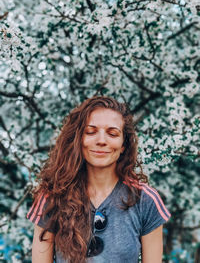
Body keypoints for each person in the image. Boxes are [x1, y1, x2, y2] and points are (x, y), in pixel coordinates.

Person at [27, 96, 171, 263]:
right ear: (78, 139)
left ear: (123, 144)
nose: (101, 141)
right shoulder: (51, 197)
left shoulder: (145, 201)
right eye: (91, 132)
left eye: (112, 133)